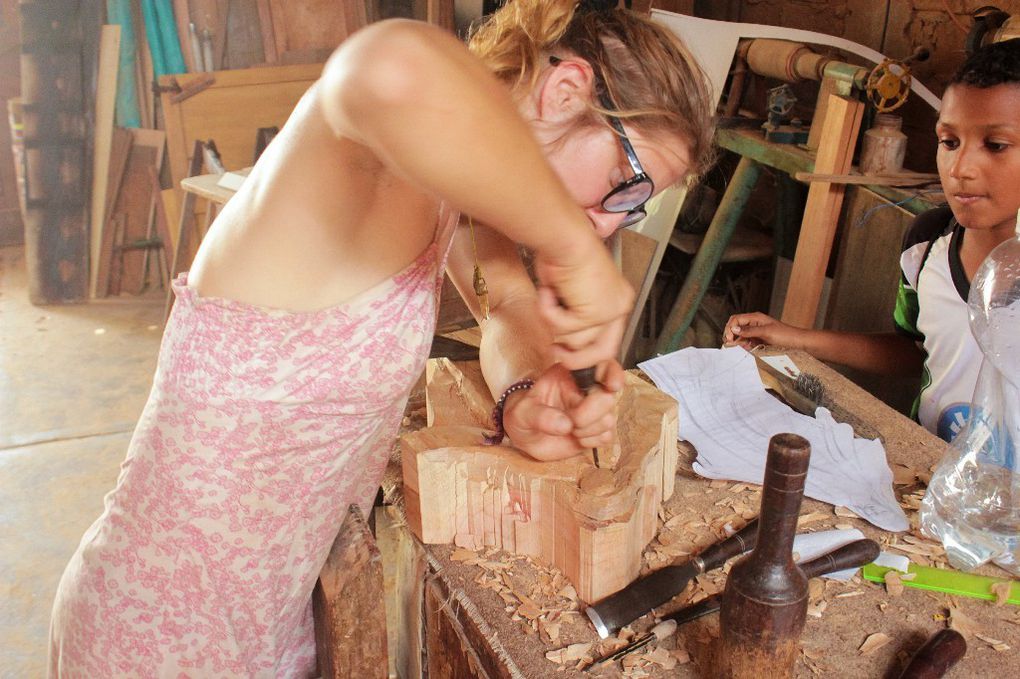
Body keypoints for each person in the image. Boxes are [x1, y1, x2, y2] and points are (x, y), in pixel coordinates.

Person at [49, 1, 715, 676]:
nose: (608, 225)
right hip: (157, 637)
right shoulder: (376, 163)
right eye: (625, 188)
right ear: (565, 90)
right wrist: (569, 245)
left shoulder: (451, 192)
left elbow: (507, 302)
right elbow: (385, 66)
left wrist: (527, 392)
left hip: (273, 624)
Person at [724, 38, 1020, 444]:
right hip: (932, 473)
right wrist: (794, 336)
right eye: (949, 142)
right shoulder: (927, 244)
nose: (961, 168)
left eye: (996, 145)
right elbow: (917, 350)